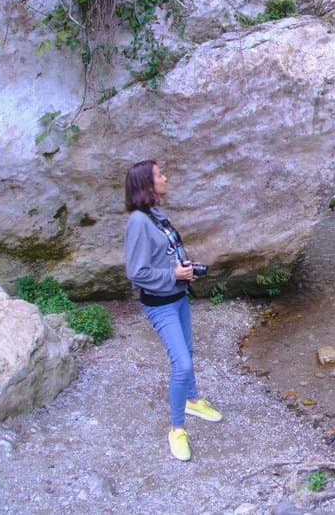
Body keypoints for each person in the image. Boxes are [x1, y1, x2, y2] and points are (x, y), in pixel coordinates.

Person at [124, 160, 222, 461]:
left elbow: (167, 254)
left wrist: (185, 270)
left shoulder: (156, 214)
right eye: (159, 175)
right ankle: (177, 429)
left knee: (187, 353)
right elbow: (136, 272)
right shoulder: (138, 221)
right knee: (182, 365)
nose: (165, 178)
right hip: (161, 304)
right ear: (146, 184)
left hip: (178, 296)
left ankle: (192, 400)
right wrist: (172, 275)